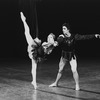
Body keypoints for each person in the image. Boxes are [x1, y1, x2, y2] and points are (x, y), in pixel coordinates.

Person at [49, 23, 100, 90]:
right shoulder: (61, 37)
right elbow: (58, 41)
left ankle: (77, 85)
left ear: (68, 29)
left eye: (64, 29)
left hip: (71, 56)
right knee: (60, 70)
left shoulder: (74, 36)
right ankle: (56, 83)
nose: (63, 30)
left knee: (74, 70)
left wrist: (94, 35)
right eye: (62, 29)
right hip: (64, 56)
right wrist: (55, 43)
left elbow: (84, 37)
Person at [20, 12, 56, 89]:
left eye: (50, 37)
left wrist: (54, 43)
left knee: (27, 33)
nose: (48, 38)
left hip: (38, 53)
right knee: (27, 33)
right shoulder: (47, 43)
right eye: (48, 37)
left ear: (53, 39)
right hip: (35, 50)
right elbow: (44, 46)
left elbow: (51, 47)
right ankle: (34, 82)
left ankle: (24, 20)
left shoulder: (52, 44)